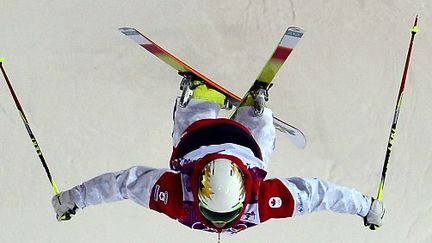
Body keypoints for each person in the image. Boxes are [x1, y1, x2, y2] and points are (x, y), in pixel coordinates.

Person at [52, 79, 385, 234]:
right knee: (254, 160)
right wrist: (365, 207)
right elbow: (318, 195)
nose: (220, 225)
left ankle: (221, 105)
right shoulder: (255, 202)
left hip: (220, 144)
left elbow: (123, 184)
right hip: (223, 145)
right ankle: (247, 112)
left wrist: (74, 199)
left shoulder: (180, 200)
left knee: (252, 158)